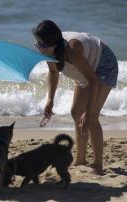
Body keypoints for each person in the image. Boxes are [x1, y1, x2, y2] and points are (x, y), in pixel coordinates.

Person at [32, 20, 118, 175]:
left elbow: (93, 80)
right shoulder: (48, 50)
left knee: (91, 118)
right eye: (37, 43)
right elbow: (53, 73)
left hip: (103, 63)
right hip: (87, 67)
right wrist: (50, 100)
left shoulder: (72, 51)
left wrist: (90, 111)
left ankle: (98, 166)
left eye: (42, 44)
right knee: (76, 112)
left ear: (53, 44)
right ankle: (81, 159)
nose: (39, 47)